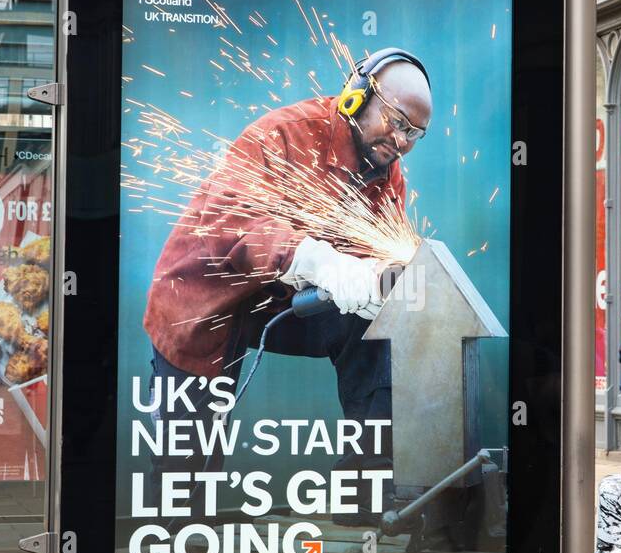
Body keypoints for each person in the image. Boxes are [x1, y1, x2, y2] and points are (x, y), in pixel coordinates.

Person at [142, 48, 431, 527]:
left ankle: (363, 495)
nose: (401, 140)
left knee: (378, 329)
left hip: (281, 302)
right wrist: (319, 260)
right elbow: (236, 222)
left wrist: (382, 279)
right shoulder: (283, 133)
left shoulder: (384, 170)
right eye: (397, 122)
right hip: (203, 303)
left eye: (414, 134)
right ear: (358, 96)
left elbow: (382, 244)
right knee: (185, 470)